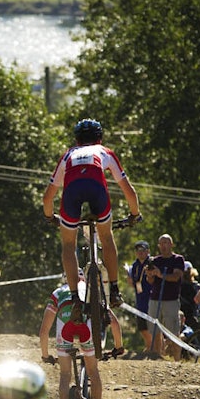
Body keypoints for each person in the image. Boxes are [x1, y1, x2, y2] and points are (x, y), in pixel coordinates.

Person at [42, 118, 142, 316]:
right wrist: (134, 214)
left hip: (72, 193)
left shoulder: (68, 155)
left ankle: (74, 297)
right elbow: (129, 192)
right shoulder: (105, 152)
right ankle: (114, 289)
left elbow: (48, 197)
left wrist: (50, 216)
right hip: (97, 190)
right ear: (100, 138)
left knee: (69, 246)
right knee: (106, 238)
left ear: (77, 140)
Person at [39, 273, 106, 399]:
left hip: (65, 327)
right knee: (93, 372)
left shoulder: (58, 293)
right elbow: (110, 320)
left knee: (65, 374)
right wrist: (117, 345)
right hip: (86, 327)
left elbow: (44, 331)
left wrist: (45, 355)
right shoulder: (89, 290)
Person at [144, 234, 185, 360]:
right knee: (155, 331)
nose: (164, 246)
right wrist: (150, 274)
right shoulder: (155, 260)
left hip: (171, 300)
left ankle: (177, 360)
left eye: (166, 243)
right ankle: (158, 357)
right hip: (155, 299)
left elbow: (176, 276)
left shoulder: (178, 259)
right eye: (161, 243)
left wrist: (161, 274)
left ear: (171, 244)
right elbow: (150, 281)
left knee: (173, 332)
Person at [125, 240, 153, 351]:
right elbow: (132, 283)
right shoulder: (135, 265)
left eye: (143, 250)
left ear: (148, 251)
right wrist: (128, 275)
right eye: (138, 250)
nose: (140, 253)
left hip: (151, 298)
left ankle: (154, 348)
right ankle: (149, 346)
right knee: (142, 327)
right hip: (140, 300)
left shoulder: (152, 262)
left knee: (153, 326)